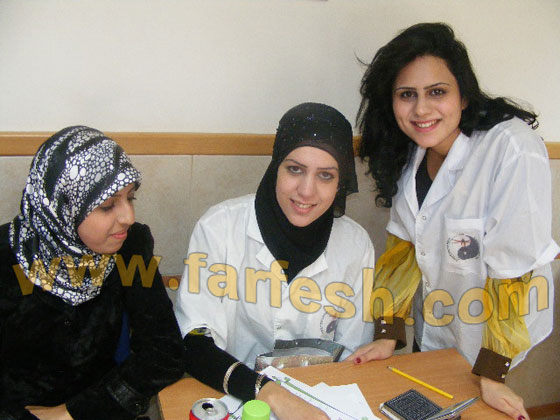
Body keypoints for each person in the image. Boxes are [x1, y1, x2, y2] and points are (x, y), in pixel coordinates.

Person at [349, 22, 559, 420]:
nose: (421, 110)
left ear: (463, 95)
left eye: (437, 92)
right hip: (438, 323)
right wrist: (388, 334)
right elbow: (402, 250)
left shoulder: (511, 147)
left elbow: (513, 268)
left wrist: (493, 372)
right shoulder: (410, 152)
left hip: (498, 332)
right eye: (407, 95)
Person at [174, 102, 375, 420]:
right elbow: (194, 344)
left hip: (319, 400)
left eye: (325, 175)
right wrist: (272, 394)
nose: (306, 191)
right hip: (230, 396)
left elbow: (352, 353)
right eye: (295, 169)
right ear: (276, 166)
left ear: (341, 183)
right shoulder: (219, 228)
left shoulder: (355, 244)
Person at [0, 126, 185, 420]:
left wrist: (71, 413)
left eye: (131, 198)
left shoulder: (130, 246)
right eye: (107, 205)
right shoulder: (6, 258)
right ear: (63, 207)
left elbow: (165, 350)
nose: (128, 217)